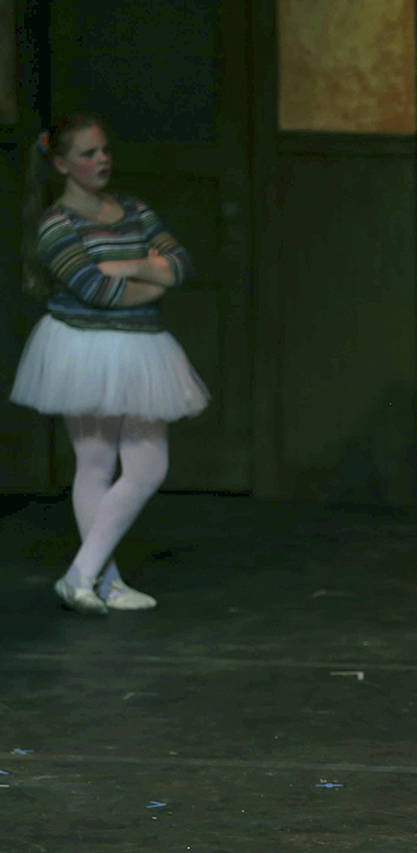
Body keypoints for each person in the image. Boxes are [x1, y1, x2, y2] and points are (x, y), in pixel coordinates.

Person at [10, 114, 209, 615]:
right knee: (96, 463)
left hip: (141, 346)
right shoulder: (56, 226)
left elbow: (180, 263)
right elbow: (97, 292)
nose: (100, 161)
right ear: (61, 164)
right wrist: (151, 278)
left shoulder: (134, 209)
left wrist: (130, 267)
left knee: (147, 465)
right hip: (86, 348)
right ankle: (103, 580)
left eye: (104, 151)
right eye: (86, 154)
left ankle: (84, 575)